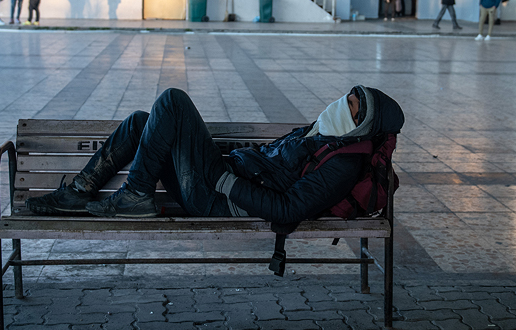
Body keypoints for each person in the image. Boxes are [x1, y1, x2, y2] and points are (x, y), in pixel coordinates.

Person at [25, 86, 405, 225]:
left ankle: (136, 196)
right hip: (219, 177)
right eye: (347, 97)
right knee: (143, 121)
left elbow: (288, 210)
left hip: (219, 197)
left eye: (352, 108)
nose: (341, 104)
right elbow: (270, 161)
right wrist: (225, 161)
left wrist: (225, 180)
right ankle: (79, 191)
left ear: (361, 127)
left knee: (173, 101)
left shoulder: (341, 163)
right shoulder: (323, 133)